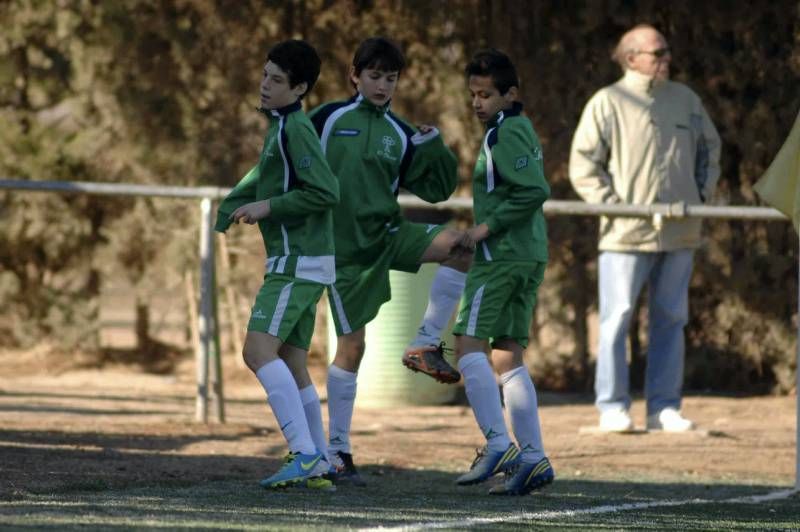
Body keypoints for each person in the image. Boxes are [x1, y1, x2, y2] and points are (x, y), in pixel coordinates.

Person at [308, 36, 471, 485]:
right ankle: (337, 452)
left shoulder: (400, 133)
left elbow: (437, 191)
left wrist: (434, 146)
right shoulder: (326, 119)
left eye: (391, 78)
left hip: (387, 235)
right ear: (354, 77)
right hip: (341, 253)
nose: (383, 85)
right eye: (375, 76)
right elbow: (290, 165)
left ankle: (422, 342)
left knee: (461, 247)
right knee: (353, 349)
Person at [569, 24, 721, 433]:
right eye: (658, 53)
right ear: (631, 57)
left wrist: (699, 195)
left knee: (671, 318)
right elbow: (583, 164)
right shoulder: (607, 101)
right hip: (625, 233)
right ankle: (613, 406)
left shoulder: (686, 99)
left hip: (679, 231)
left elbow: (711, 149)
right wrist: (615, 207)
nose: (666, 59)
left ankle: (664, 408)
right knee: (616, 319)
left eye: (667, 52)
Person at [215, 40, 339, 489]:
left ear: (300, 87)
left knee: (256, 352)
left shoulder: (296, 130)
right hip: (303, 260)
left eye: (277, 80)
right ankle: (321, 457)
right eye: (265, 75)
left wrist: (267, 206)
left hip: (297, 262)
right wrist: (238, 203)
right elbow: (263, 178)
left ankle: (304, 453)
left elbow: (326, 191)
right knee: (291, 359)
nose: (265, 85)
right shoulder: (281, 125)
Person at [452, 48, 554, 496]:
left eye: (486, 94)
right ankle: (533, 459)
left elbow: (534, 190)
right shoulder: (518, 127)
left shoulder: (504, 133)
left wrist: (484, 230)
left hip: (502, 257)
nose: (477, 102)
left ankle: (498, 444)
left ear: (510, 94)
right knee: (507, 354)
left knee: (466, 343)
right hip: (528, 254)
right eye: (473, 94)